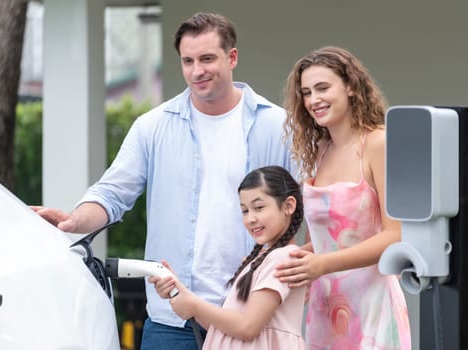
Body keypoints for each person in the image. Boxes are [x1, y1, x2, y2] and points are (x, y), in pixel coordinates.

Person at [32, 12, 295, 350]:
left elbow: (311, 205)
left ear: (232, 57)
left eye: (207, 58)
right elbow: (112, 193)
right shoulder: (152, 126)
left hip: (250, 319)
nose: (196, 71)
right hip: (173, 320)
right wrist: (75, 219)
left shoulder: (279, 126)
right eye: (188, 61)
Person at [274, 46, 411, 349]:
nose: (313, 100)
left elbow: (396, 235)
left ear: (350, 86)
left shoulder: (378, 144)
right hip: (325, 307)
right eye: (307, 92)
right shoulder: (319, 151)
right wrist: (288, 261)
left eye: (323, 88)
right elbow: (324, 241)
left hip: (372, 306)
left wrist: (321, 264)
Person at [153, 165, 306, 349]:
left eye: (259, 207)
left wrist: (194, 305)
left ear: (288, 206)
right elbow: (225, 328)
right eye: (245, 210)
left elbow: (248, 327)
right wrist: (178, 291)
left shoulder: (283, 258)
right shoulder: (262, 260)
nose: (250, 218)